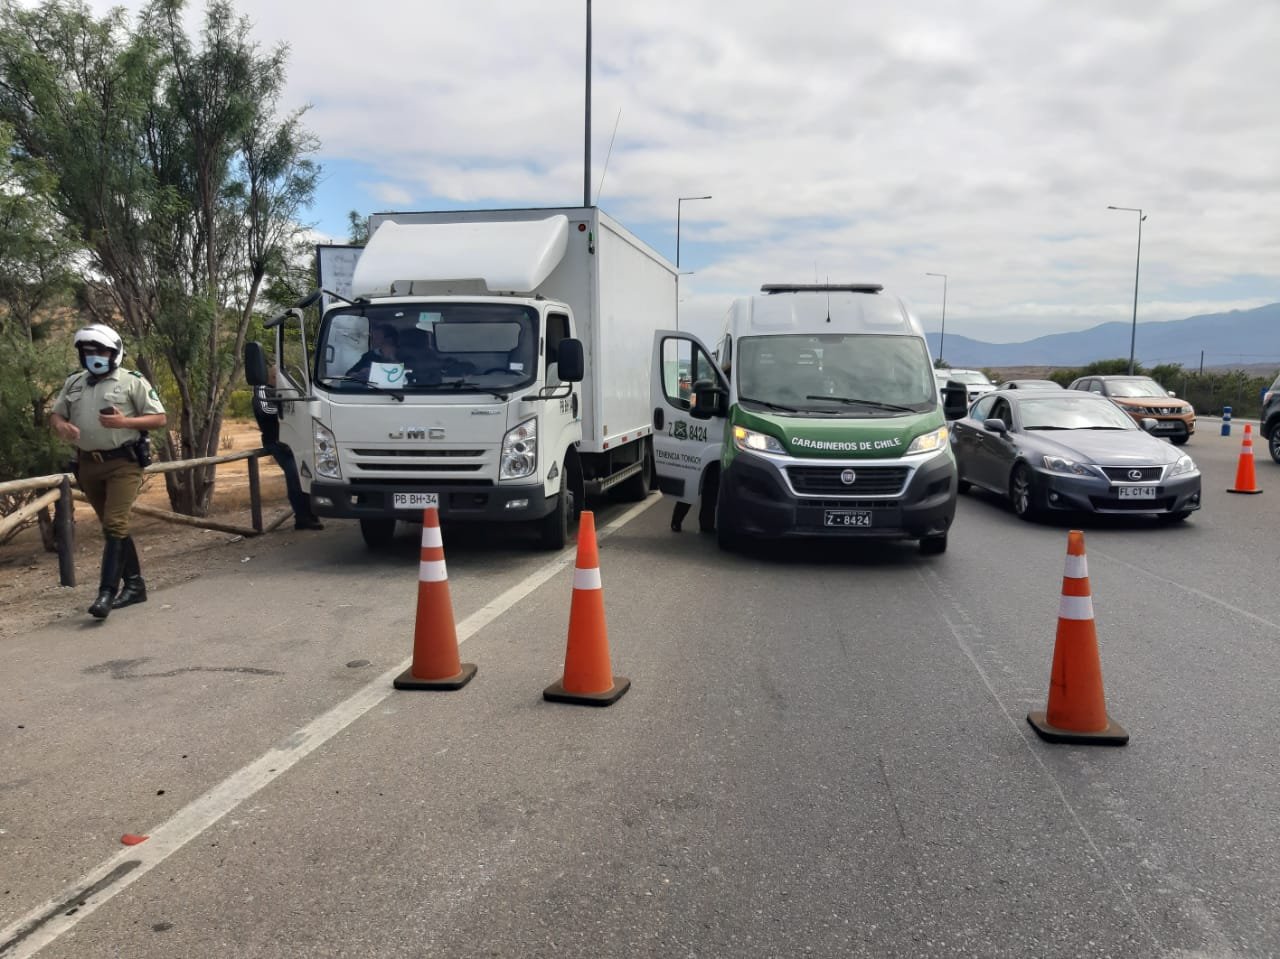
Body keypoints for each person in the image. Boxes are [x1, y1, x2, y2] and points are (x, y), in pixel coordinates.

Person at [49, 324, 167, 620]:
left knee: (114, 524)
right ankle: (136, 586)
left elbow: (159, 417)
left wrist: (125, 423)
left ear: (114, 353)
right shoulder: (74, 383)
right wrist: (61, 425)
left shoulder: (131, 381)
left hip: (123, 463)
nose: (94, 357)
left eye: (100, 351)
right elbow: (57, 413)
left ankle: (106, 593)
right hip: (88, 465)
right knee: (114, 528)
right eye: (88, 352)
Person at [252, 366, 324, 531]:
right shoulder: (262, 390)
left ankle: (310, 515)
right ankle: (302, 518)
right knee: (294, 478)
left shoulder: (282, 392)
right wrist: (288, 408)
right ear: (272, 377)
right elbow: (266, 411)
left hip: (293, 442)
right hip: (277, 442)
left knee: (305, 477)